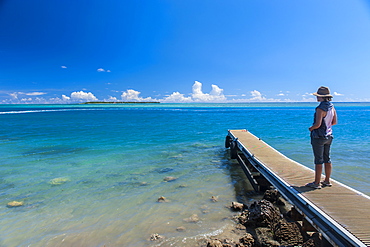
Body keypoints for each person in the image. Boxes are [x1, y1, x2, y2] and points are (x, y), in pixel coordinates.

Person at [306, 86, 337, 189]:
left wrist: (311, 128)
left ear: (322, 97)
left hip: (319, 137)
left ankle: (316, 183)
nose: (317, 98)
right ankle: (327, 181)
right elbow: (334, 122)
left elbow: (318, 124)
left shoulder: (320, 108)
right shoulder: (332, 107)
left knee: (318, 160)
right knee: (327, 158)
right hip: (329, 136)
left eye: (318, 96)